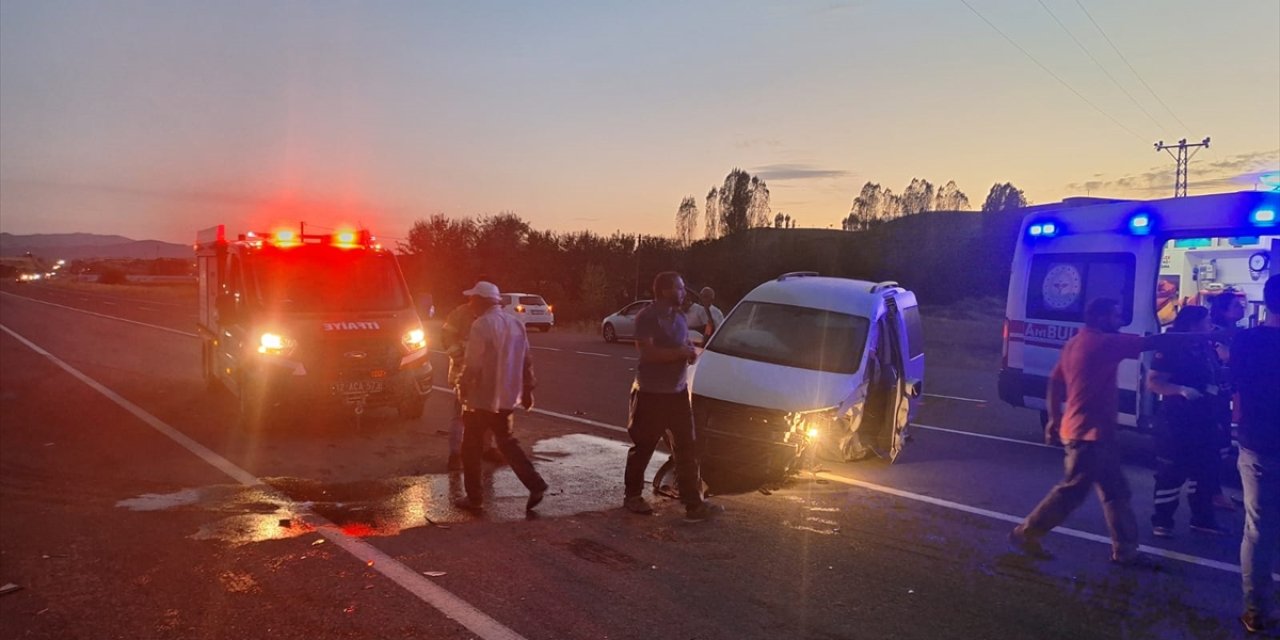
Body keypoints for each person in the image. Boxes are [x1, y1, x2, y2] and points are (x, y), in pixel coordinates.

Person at [1008, 297, 1218, 567]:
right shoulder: (1104, 343)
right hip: (1089, 435)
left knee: (1114, 493)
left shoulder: (1076, 342)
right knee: (1075, 493)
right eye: (1117, 316)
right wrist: (1201, 334)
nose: (1120, 320)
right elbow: (1152, 342)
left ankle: (1125, 550)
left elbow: (1055, 382)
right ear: (1101, 318)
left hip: (1085, 432)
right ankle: (1026, 534)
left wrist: (1054, 419)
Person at [623, 271, 721, 522]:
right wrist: (681, 353)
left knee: (687, 448)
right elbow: (648, 353)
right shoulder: (647, 317)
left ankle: (693, 505)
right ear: (665, 290)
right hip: (651, 394)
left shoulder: (678, 317)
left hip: (677, 394)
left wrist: (689, 351)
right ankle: (632, 496)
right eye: (679, 287)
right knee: (643, 447)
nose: (684, 292)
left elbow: (681, 346)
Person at [454, 281, 548, 512]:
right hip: (507, 396)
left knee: (470, 446)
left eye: (472, 299)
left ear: (482, 301)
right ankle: (535, 484)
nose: (469, 303)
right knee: (507, 443)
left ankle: (474, 498)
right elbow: (527, 360)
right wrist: (527, 390)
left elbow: (473, 365)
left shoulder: (481, 325)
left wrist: (462, 387)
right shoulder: (516, 323)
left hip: (481, 398)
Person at [1146, 306, 1227, 538]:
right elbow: (1154, 382)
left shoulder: (1205, 345)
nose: (1211, 324)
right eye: (1207, 320)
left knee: (1206, 470)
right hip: (1177, 421)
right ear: (1193, 325)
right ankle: (1162, 522)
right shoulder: (1172, 345)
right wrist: (1180, 390)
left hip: (1205, 419)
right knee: (1171, 472)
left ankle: (1203, 519)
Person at [1233, 276, 1280, 634]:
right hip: (1262, 444)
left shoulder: (1245, 341)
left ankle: (1256, 610)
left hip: (1257, 444)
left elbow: (1236, 386)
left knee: (1258, 530)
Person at [441, 297, 502, 471]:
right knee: (460, 415)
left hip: (488, 376)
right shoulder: (459, 314)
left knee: (490, 413)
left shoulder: (494, 316)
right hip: (464, 374)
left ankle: (487, 449)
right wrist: (461, 359)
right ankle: (455, 455)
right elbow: (446, 337)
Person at [1209, 288, 1248, 511]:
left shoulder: (1237, 333)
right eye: (1235, 306)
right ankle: (1212, 493)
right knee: (1216, 445)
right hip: (1217, 397)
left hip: (1230, 394)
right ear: (1223, 311)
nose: (1241, 308)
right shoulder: (1216, 334)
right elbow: (1224, 362)